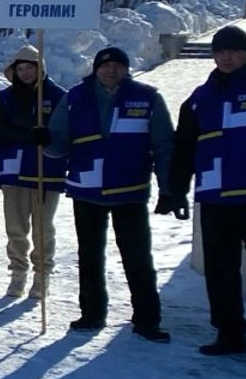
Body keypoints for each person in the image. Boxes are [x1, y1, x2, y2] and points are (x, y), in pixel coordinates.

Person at [168, 25, 246, 369]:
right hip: (215, 198)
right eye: (220, 51)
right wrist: (175, 190)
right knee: (221, 272)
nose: (226, 56)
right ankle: (230, 335)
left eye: (233, 51)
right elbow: (183, 149)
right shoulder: (197, 99)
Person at [47, 45, 177, 340]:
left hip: (128, 190)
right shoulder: (74, 98)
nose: (111, 70)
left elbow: (164, 146)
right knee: (90, 256)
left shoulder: (146, 98)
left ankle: (147, 320)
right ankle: (92, 313)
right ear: (96, 69)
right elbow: (58, 146)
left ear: (126, 69)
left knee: (137, 258)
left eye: (118, 65)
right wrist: (45, 140)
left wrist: (169, 188)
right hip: (86, 190)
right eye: (105, 66)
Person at [0, 43, 66, 299]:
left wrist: (48, 137)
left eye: (29, 68)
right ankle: (17, 272)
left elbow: (64, 132)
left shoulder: (56, 96)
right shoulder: (6, 97)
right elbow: (0, 130)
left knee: (43, 227)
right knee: (15, 226)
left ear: (39, 68)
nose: (25, 73)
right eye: (20, 68)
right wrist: (27, 134)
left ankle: (42, 274)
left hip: (46, 170)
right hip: (14, 169)